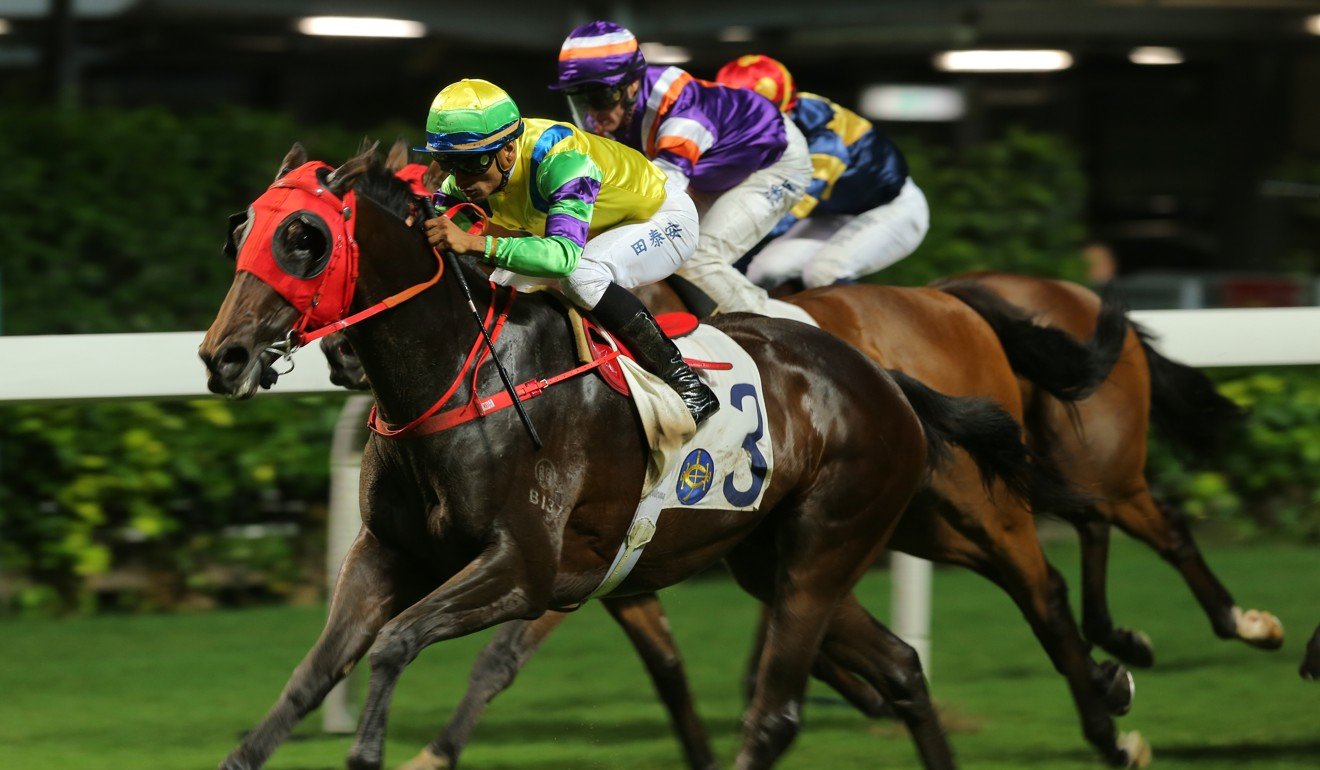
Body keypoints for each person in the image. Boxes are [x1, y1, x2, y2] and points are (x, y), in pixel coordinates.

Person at [418, 78, 718, 424]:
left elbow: (562, 258)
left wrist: (475, 243)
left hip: (660, 218)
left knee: (580, 276)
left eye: (472, 163)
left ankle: (686, 384)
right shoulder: (465, 176)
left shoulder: (563, 159)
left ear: (508, 151)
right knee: (499, 287)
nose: (461, 178)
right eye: (448, 162)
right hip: (588, 232)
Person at [550, 21, 815, 324]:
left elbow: (657, 195)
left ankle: (779, 336)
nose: (593, 114)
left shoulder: (681, 113)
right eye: (580, 100)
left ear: (632, 85)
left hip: (774, 162)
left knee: (698, 255)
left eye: (599, 98)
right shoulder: (620, 110)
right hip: (710, 163)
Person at [715, 54, 930, 289]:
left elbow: (789, 207)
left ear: (785, 106)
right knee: (762, 273)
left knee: (824, 272)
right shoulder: (784, 111)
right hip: (829, 213)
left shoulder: (823, 138)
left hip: (890, 209)